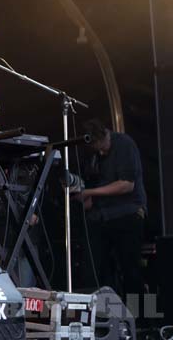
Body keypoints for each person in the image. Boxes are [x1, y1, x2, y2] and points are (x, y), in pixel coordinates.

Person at [79, 119, 146, 302]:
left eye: (101, 146)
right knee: (97, 271)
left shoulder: (124, 144)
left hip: (128, 213)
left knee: (132, 271)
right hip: (102, 217)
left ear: (103, 135)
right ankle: (108, 320)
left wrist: (90, 192)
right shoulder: (94, 156)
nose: (100, 151)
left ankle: (146, 322)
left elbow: (127, 185)